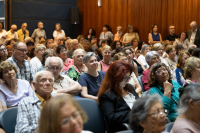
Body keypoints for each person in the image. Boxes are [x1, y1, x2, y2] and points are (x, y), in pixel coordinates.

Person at [98, 60, 139, 133]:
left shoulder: (129, 87)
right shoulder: (107, 94)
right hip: (123, 128)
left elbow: (140, 103)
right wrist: (135, 113)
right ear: (114, 77)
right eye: (124, 77)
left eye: (128, 77)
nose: (127, 80)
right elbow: (111, 118)